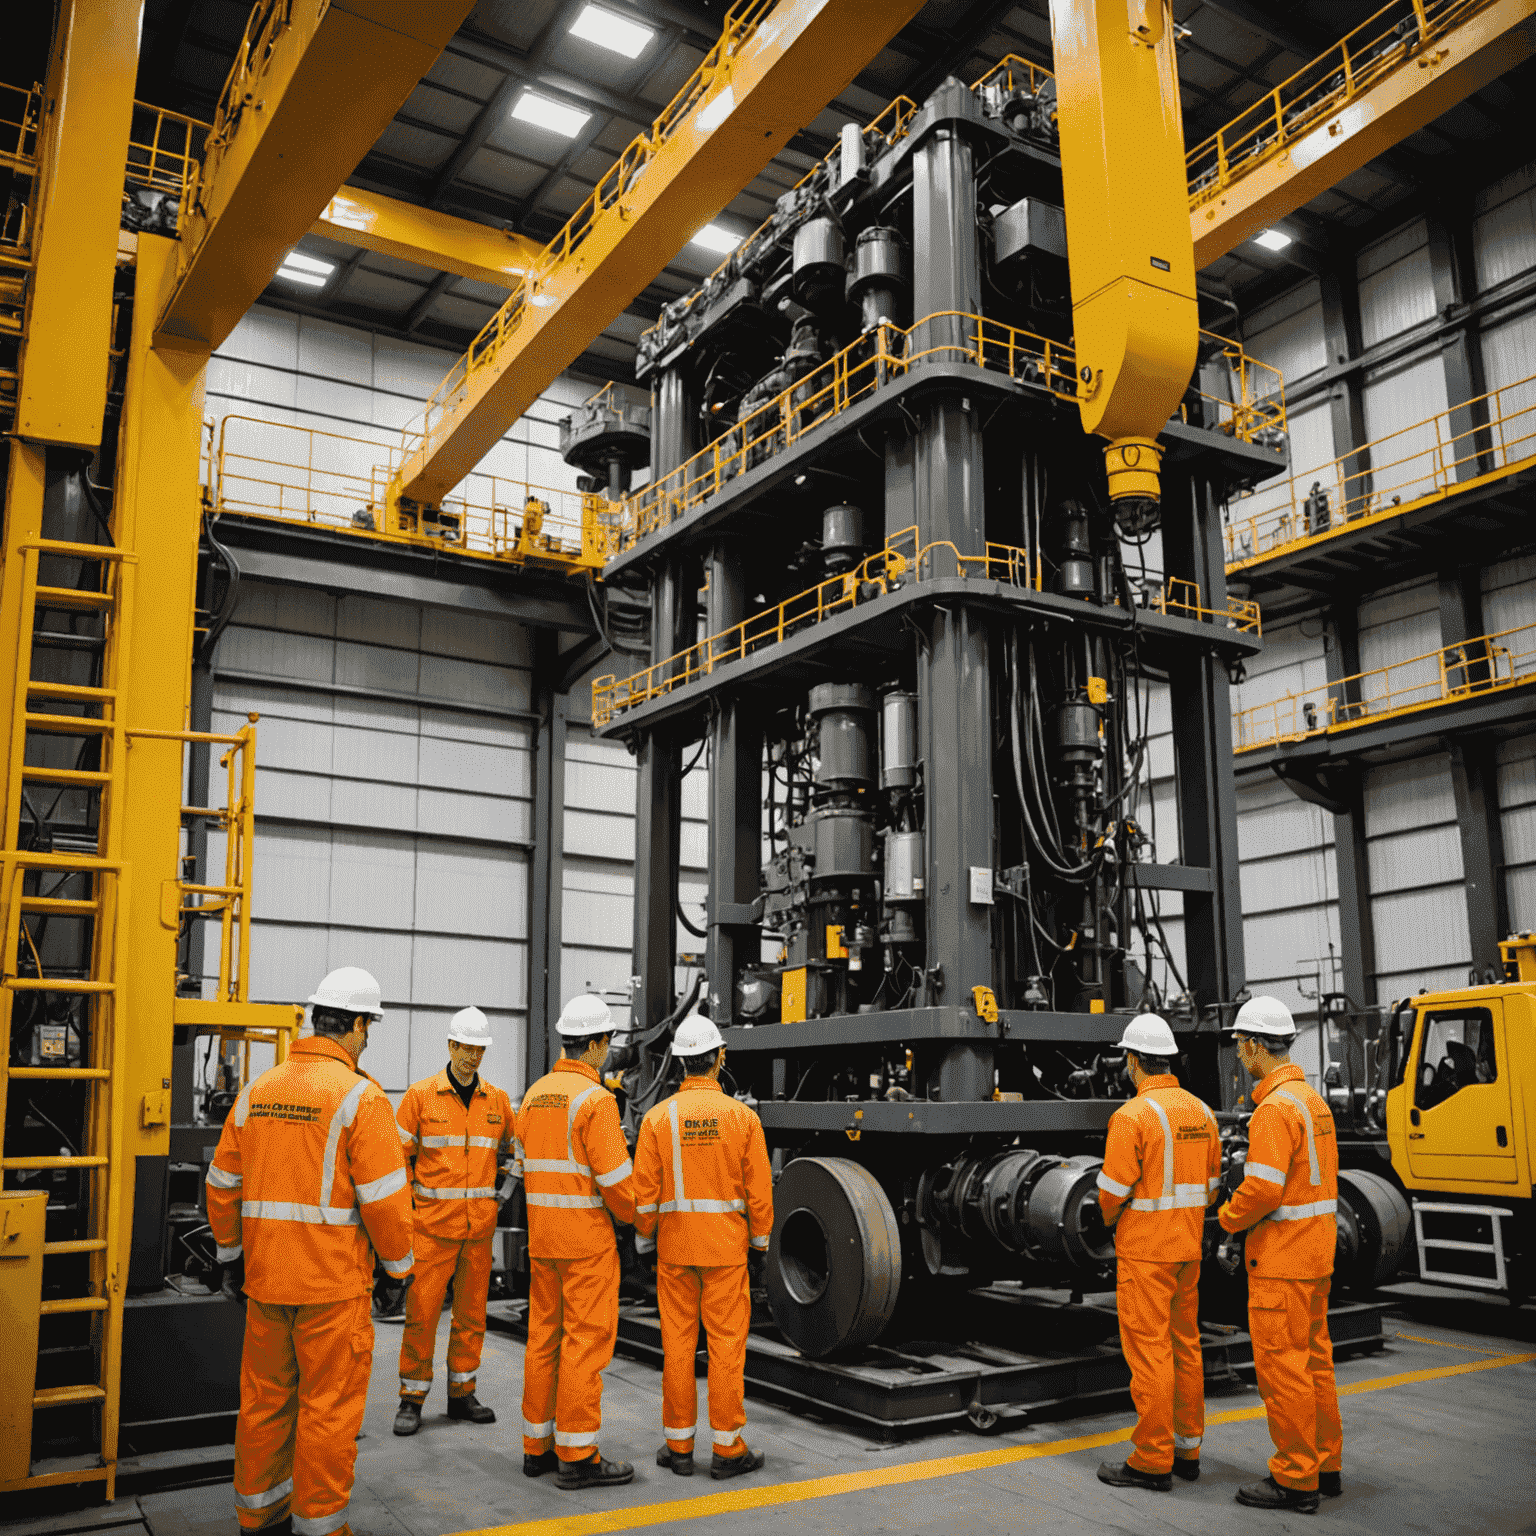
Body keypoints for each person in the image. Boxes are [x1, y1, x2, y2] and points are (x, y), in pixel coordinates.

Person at [206, 967, 413, 1536]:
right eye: (368, 1025)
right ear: (355, 1026)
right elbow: (386, 1202)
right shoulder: (361, 1098)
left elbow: (222, 1183)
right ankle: (320, 1527)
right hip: (332, 1289)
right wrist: (399, 1271)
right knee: (327, 1410)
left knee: (265, 1403)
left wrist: (230, 1257)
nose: (367, 1036)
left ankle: (259, 1517)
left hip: (266, 1280)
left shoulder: (258, 1090)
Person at [633, 1013, 774, 1481]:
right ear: (719, 1059)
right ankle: (728, 1450)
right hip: (726, 1253)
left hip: (674, 1251)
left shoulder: (657, 1119)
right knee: (726, 1347)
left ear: (679, 1064)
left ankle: (678, 1448)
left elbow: (646, 1190)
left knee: (676, 1347)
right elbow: (759, 1191)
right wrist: (760, 1244)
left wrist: (643, 1239)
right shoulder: (743, 1119)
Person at [1218, 995, 1342, 1514]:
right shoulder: (1312, 1101)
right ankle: (1325, 1464)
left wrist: (1226, 1220)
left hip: (1282, 1264)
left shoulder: (1273, 1110)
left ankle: (1295, 1479)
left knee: (1283, 1369)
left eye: (1240, 1045)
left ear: (1252, 1047)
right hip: (1316, 1256)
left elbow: (1264, 1191)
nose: (1239, 1055)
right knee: (1315, 1364)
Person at [1094, 1013, 1221, 1493]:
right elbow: (1211, 1189)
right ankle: (1187, 1450)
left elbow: (1111, 1192)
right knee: (1185, 1347)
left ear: (1133, 1061)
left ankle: (1151, 1460)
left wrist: (1108, 1220)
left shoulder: (1132, 1117)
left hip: (1146, 1252)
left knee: (1149, 1355)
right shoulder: (1202, 1112)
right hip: (1188, 1247)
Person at [514, 993, 637, 1490]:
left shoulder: (535, 1093)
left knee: (543, 1340)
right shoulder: (596, 1101)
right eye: (607, 1042)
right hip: (586, 1243)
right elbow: (617, 1183)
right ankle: (578, 1454)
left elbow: (525, 1165)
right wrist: (638, 1220)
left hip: (543, 1239)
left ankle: (535, 1446)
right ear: (596, 1043)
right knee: (585, 1345)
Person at [392, 1006, 516, 1435]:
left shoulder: (497, 1101)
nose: (473, 1056)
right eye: (466, 1048)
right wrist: (410, 1206)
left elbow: (516, 1153)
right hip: (431, 1230)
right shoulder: (421, 1096)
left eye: (480, 1049)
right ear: (450, 1045)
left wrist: (503, 1195)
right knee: (422, 1316)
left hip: (478, 1232)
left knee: (471, 1317)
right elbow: (397, 1158)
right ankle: (411, 1399)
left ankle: (462, 1393)